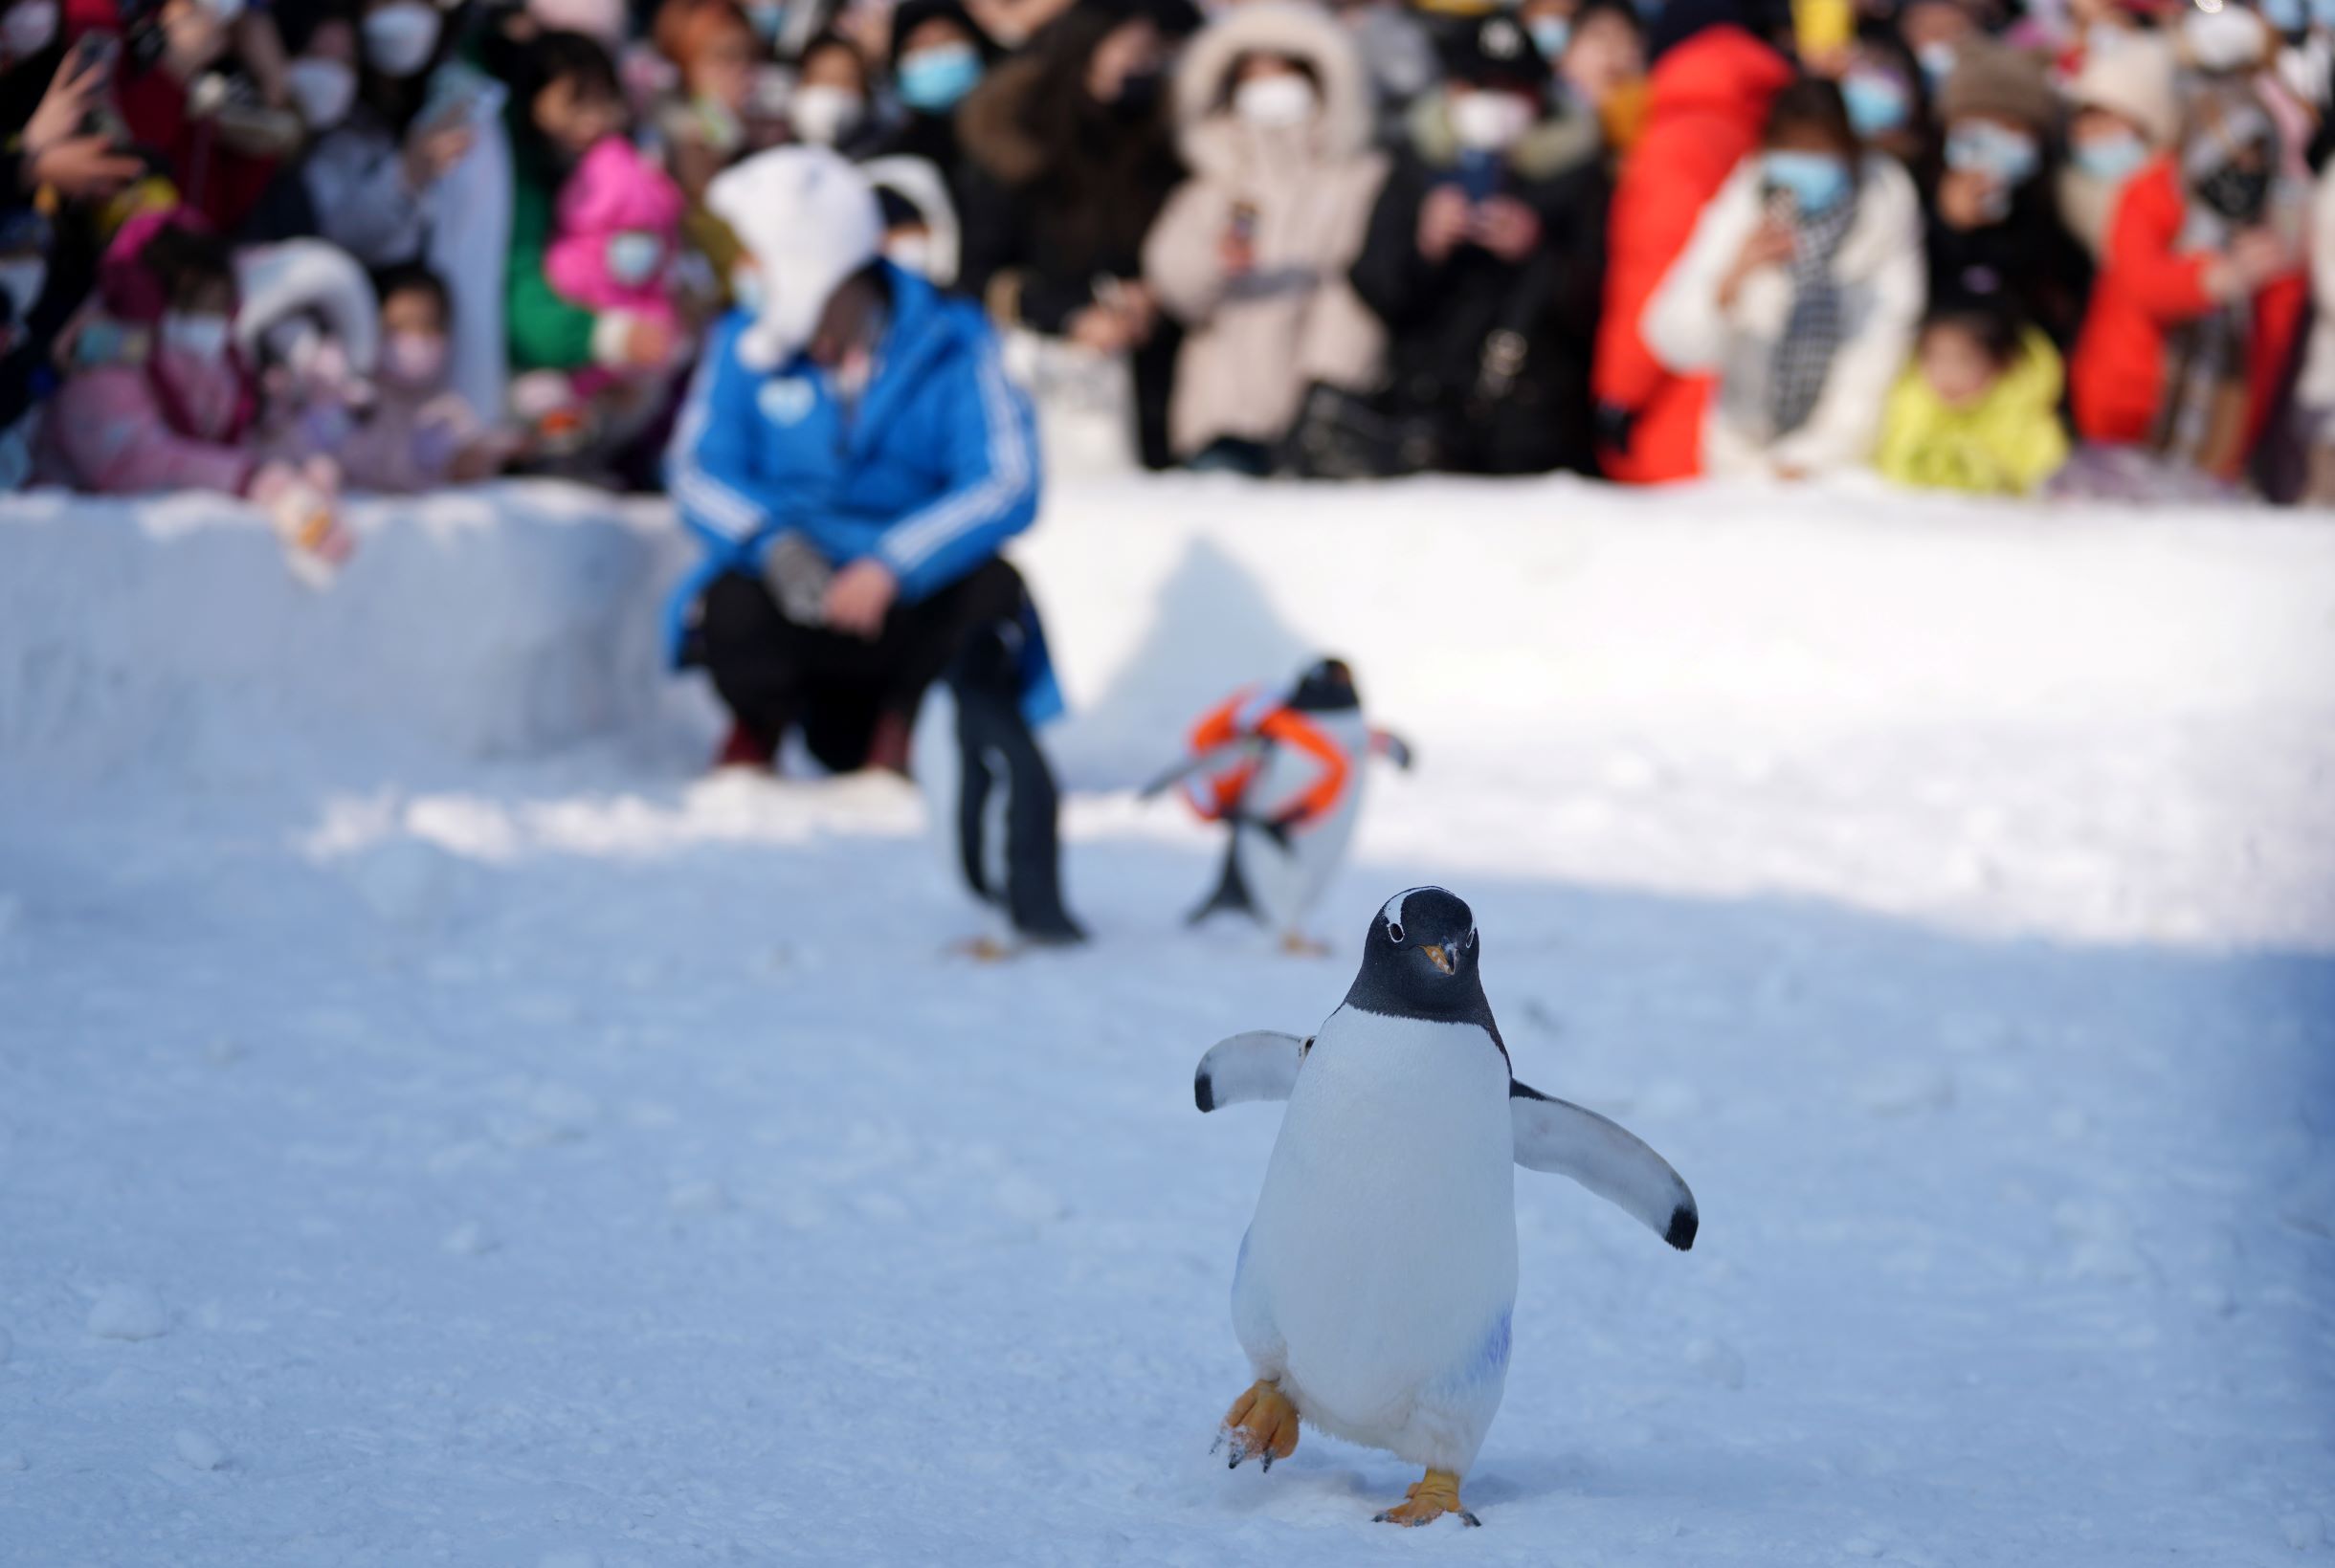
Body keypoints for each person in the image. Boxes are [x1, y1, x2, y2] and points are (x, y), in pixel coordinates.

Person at [665, 146, 1043, 779]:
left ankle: (909, 730)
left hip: (909, 597)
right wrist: (773, 544)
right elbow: (697, 470)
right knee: (731, 600)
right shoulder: (742, 341)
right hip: (797, 587)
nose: (751, 277)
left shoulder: (953, 340)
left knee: (991, 590)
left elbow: (1007, 480)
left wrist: (895, 563)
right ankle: (758, 724)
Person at [1347, 12, 1611, 475]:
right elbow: (1373, 283)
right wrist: (1423, 246)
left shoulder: (1578, 177)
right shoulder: (1416, 165)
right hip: (1422, 414)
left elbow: (1601, 300)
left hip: (1537, 427)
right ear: (1452, 90)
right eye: (1479, 86)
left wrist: (1538, 252)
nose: (1496, 103)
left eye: (1512, 89)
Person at [1140, 0, 1388, 472]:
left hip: (1326, 407)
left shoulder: (1358, 180)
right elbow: (1171, 280)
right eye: (1253, 77)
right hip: (1221, 408)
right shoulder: (1210, 187)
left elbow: (1361, 290)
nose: (1269, 89)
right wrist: (1215, 264)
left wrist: (1330, 383)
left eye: (1283, 73)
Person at [36, 209, 353, 577]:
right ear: (154, 296)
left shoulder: (222, 360)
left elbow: (241, 432)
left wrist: (299, 470)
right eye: (195, 301)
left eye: (220, 304)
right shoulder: (103, 352)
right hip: (78, 560)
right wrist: (252, 479)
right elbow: (130, 461)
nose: (210, 318)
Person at [1641, 75, 1925, 479]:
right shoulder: (1748, 200)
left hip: (1841, 461)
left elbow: (1882, 343)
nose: (1804, 162)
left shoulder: (1884, 203)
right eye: (1790, 147)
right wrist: (1731, 280)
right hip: (1738, 451)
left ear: (1847, 151)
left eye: (1818, 149)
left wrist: (1821, 452)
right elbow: (1672, 341)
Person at [956, 0, 1195, 471]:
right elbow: (977, 277)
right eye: (1128, 49)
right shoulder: (1020, 148)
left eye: (1150, 52)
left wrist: (1156, 294)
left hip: (1152, 376)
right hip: (1049, 378)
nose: (1140, 64)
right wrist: (1071, 315)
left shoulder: (1165, 145)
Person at [1591, 0, 1793, 483]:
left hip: (1681, 406)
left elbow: (1652, 272)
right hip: (1758, 400)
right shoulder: (1770, 116)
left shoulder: (1678, 139)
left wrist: (1620, 394)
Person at [2068, 84, 2309, 486]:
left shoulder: (2277, 217)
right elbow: (2139, 284)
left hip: (2217, 425)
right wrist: (2210, 279)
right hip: (2128, 401)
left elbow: (2272, 342)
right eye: (2228, 158)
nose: (2241, 172)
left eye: (2253, 161)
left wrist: (2276, 271)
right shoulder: (2152, 192)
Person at [1926, 38, 2092, 349]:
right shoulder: (1919, 194)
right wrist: (1947, 225)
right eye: (1976, 126)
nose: (1994, 139)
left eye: (2011, 127)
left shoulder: (2052, 205)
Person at [339, 262, 517, 489]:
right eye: (400, 327)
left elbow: (468, 462)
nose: (415, 340)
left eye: (428, 328)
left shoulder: (446, 411)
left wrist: (489, 452)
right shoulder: (353, 400)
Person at [1876, 302, 2070, 494]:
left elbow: (2047, 478)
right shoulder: (1908, 402)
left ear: (2001, 363)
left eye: (1964, 361)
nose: (1948, 374)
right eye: (1935, 358)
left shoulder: (2025, 415)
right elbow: (1888, 462)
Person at [2055, 32, 2179, 259]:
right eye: (2087, 129)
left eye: (2108, 126)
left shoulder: (2173, 176)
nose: (2098, 137)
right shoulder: (2070, 186)